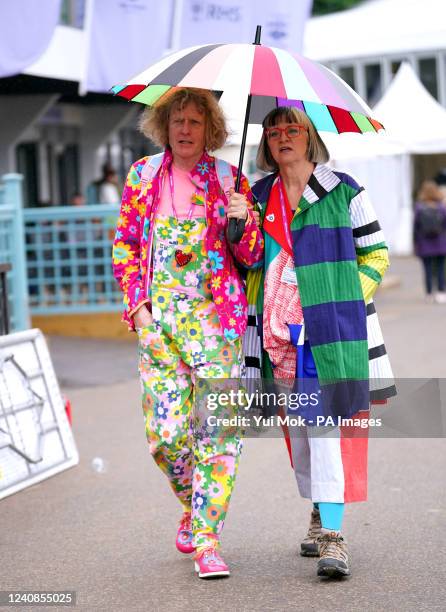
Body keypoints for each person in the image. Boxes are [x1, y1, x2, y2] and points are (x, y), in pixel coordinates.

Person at [112, 88, 263, 579]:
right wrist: (140, 313)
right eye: (177, 119)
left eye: (195, 121)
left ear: (210, 130)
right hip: (160, 327)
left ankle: (207, 538)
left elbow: (251, 258)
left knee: (218, 432)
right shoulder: (142, 176)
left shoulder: (230, 180)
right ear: (163, 124)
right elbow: (126, 247)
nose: (184, 129)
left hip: (216, 325)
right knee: (166, 435)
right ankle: (195, 500)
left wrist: (245, 224)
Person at [245, 106, 395, 579]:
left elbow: (376, 255)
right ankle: (319, 509)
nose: (282, 137)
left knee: (328, 428)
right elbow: (245, 260)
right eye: (274, 132)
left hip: (332, 334)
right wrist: (238, 224)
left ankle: (333, 534)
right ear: (266, 143)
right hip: (277, 337)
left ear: (311, 138)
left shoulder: (343, 189)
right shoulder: (257, 194)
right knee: (303, 436)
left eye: (293, 130)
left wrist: (343, 306)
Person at [413, 180, 446, 304]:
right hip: (441, 242)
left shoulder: (419, 207)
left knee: (427, 269)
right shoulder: (441, 207)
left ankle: (429, 293)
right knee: (440, 268)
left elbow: (415, 226)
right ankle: (441, 292)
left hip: (424, 243)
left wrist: (415, 243)